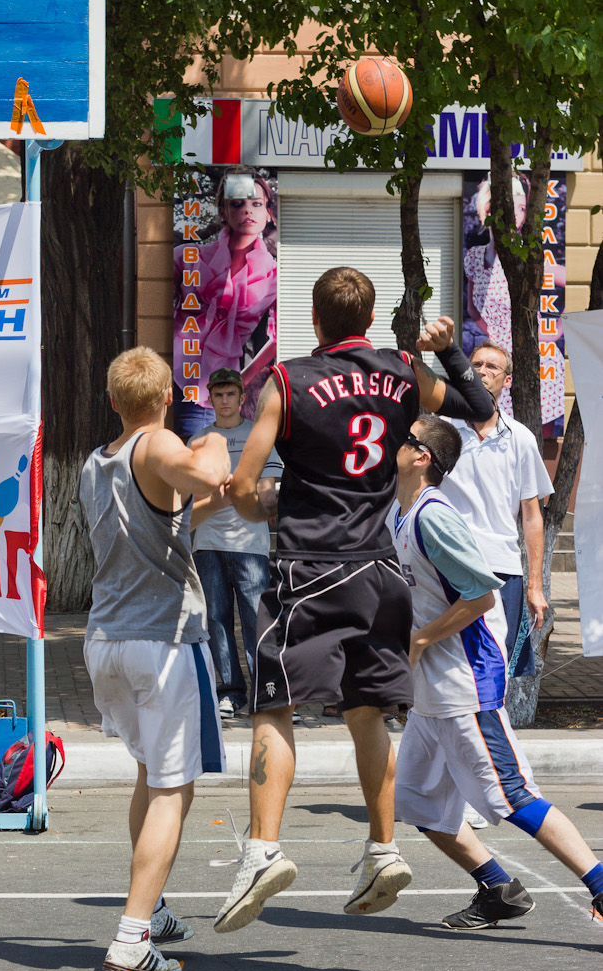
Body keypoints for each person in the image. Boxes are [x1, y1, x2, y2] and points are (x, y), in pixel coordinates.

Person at [212, 267, 497, 933]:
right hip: (379, 570)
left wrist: (256, 502)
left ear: (314, 320)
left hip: (309, 568)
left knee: (273, 708)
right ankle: (382, 847)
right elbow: (478, 407)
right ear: (367, 319)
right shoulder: (403, 373)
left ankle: (262, 849)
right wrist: (449, 349)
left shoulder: (288, 381)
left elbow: (248, 486)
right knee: (367, 713)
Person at [390, 413, 603, 928]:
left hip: (466, 681)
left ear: (423, 457)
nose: (395, 440)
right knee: (417, 804)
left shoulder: (433, 516)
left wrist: (418, 639)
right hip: (431, 690)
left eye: (406, 437)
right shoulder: (399, 510)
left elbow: (481, 595)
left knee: (512, 796)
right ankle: (498, 889)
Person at [79, 346, 230, 971]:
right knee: (175, 789)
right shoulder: (159, 446)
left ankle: (155, 906)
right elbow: (203, 477)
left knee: (150, 775)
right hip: (161, 643)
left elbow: (169, 517)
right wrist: (217, 440)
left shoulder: (98, 460)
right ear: (167, 398)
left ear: (113, 401)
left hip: (107, 639)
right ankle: (131, 938)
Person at [442, 341, 554, 678]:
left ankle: (490, 729)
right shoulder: (442, 432)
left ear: (507, 381)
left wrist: (535, 586)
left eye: (493, 367)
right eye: (476, 364)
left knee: (494, 667)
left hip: (501, 569)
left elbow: (532, 516)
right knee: (448, 664)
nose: (482, 372)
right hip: (449, 563)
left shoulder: (519, 437)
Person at [190, 367, 282, 718]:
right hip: (208, 544)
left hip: (250, 545)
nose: (225, 400)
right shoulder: (197, 441)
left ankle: (267, 693)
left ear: (243, 398)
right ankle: (230, 692)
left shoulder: (258, 437)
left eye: (231, 394)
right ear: (210, 399)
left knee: (257, 621)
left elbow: (269, 488)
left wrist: (250, 495)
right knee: (216, 620)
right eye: (218, 394)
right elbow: (187, 495)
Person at [173, 170, 277, 436]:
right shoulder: (186, 258)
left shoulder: (275, 276)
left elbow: (277, 338)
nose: (247, 211)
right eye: (237, 203)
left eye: (256, 204)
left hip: (237, 394)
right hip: (185, 386)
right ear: (222, 211)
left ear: (268, 213)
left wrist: (243, 379)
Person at [463, 172, 566, 431]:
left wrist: (552, 335)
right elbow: (473, 308)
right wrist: (494, 337)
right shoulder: (475, 258)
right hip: (497, 365)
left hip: (536, 362)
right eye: (488, 199)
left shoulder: (529, 258)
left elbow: (566, 279)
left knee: (531, 431)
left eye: (521, 206)